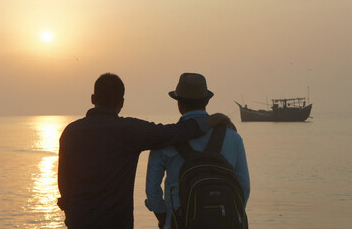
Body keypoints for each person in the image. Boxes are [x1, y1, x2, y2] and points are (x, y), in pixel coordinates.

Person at [57, 73, 235, 229]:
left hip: (79, 221)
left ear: (93, 98)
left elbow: (64, 184)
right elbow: (173, 133)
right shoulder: (129, 130)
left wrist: (70, 214)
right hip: (116, 223)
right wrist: (213, 120)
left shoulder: (70, 133)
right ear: (122, 102)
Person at [145, 73, 250, 229]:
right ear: (207, 101)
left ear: (179, 103)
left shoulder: (165, 142)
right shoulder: (233, 138)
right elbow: (244, 187)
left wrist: (164, 218)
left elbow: (152, 191)